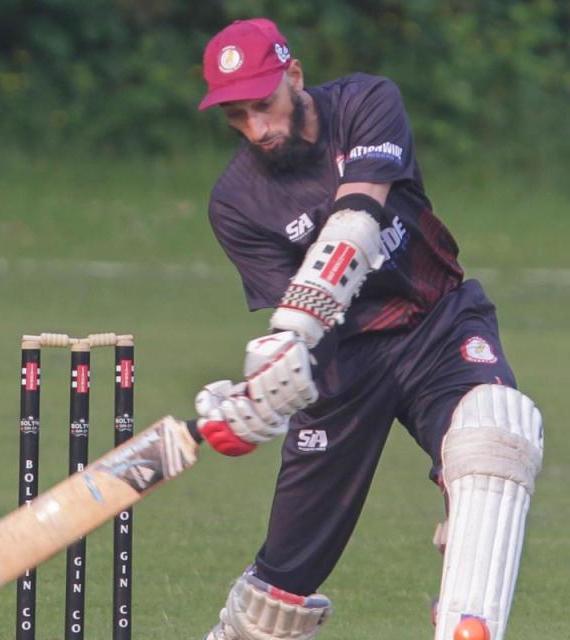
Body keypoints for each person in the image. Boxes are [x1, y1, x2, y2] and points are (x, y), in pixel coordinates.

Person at [190, 19, 543, 640]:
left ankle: (468, 624)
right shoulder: (235, 202)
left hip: (435, 324)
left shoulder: (365, 102)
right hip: (343, 363)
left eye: (263, 106)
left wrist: (287, 336)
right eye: (237, 117)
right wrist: (262, 395)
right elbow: (297, 337)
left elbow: (358, 217)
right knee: (278, 594)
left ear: (293, 76)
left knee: (496, 435)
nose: (257, 130)